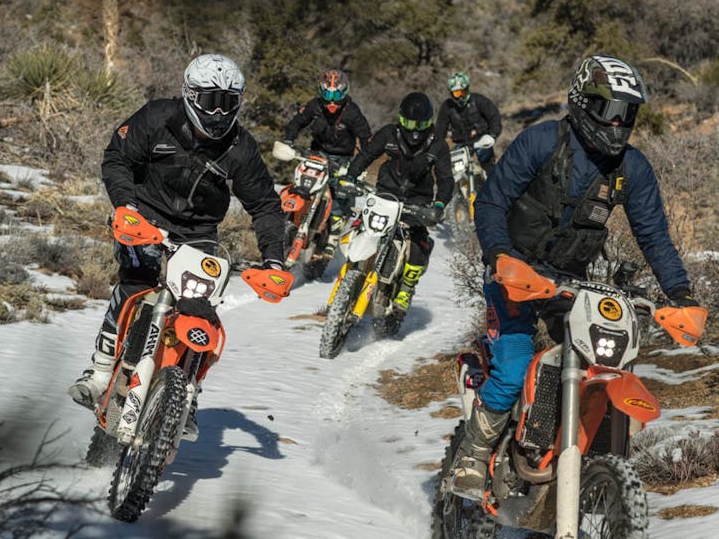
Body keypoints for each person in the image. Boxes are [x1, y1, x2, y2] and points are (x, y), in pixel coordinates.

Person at [449, 54, 701, 500]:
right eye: (610, 110)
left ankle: (567, 461)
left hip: (569, 283)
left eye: (628, 113)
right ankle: (472, 455)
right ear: (582, 102)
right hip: (513, 273)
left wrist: (680, 295)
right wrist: (501, 256)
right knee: (513, 367)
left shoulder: (632, 168)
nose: (618, 123)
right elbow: (490, 202)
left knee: (600, 364)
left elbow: (654, 236)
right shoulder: (541, 141)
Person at [68, 54, 287, 439]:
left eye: (228, 102)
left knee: (200, 310)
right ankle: (100, 372)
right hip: (143, 217)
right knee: (135, 283)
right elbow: (117, 157)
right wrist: (126, 207)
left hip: (199, 232)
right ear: (190, 95)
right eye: (210, 101)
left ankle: (185, 395)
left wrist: (274, 261)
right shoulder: (157, 117)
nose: (218, 113)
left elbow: (266, 205)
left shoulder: (241, 146)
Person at [344, 92, 453, 313]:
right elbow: (366, 155)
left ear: (429, 123)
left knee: (418, 240)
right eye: (409, 123)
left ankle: (407, 287)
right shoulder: (389, 134)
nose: (414, 130)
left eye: (420, 124)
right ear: (401, 119)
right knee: (363, 224)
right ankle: (352, 267)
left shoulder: (438, 145)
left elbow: (446, 179)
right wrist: (350, 176)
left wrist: (439, 204)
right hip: (386, 192)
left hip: (418, 200)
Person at [282, 68, 372, 257]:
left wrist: (361, 165)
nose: (332, 100)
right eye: (328, 94)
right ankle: (290, 218)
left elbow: (366, 137)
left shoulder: (352, 112)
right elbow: (297, 122)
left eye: (336, 94)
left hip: (342, 159)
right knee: (302, 183)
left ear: (344, 91)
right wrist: (288, 140)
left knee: (339, 193)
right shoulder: (314, 106)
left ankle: (333, 236)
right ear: (321, 91)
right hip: (316, 154)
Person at [435, 71, 502, 172]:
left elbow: (494, 116)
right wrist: (438, 148)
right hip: (461, 144)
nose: (460, 96)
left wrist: (492, 134)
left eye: (462, 92)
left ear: (467, 89)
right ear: (451, 93)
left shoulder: (478, 100)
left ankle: (492, 179)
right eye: (457, 93)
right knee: (455, 171)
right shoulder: (447, 107)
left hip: (481, 140)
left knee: (489, 166)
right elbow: (440, 129)